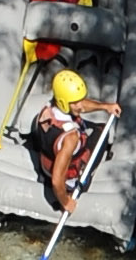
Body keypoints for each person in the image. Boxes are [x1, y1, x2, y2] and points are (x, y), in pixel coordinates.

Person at [29, 69, 121, 213]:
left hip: (47, 161)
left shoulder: (49, 108)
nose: (80, 105)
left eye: (80, 99)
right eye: (75, 102)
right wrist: (66, 202)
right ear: (63, 102)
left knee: (83, 122)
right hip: (68, 181)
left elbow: (82, 106)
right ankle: (85, 178)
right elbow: (57, 179)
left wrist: (105, 107)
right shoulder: (70, 138)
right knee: (102, 130)